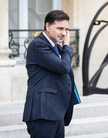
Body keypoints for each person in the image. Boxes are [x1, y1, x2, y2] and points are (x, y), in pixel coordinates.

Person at [23, 10, 80, 138]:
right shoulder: (38, 45)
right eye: (60, 28)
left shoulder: (56, 47)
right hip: (43, 111)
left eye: (66, 29)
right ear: (48, 26)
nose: (64, 34)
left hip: (56, 111)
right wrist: (67, 46)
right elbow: (64, 67)